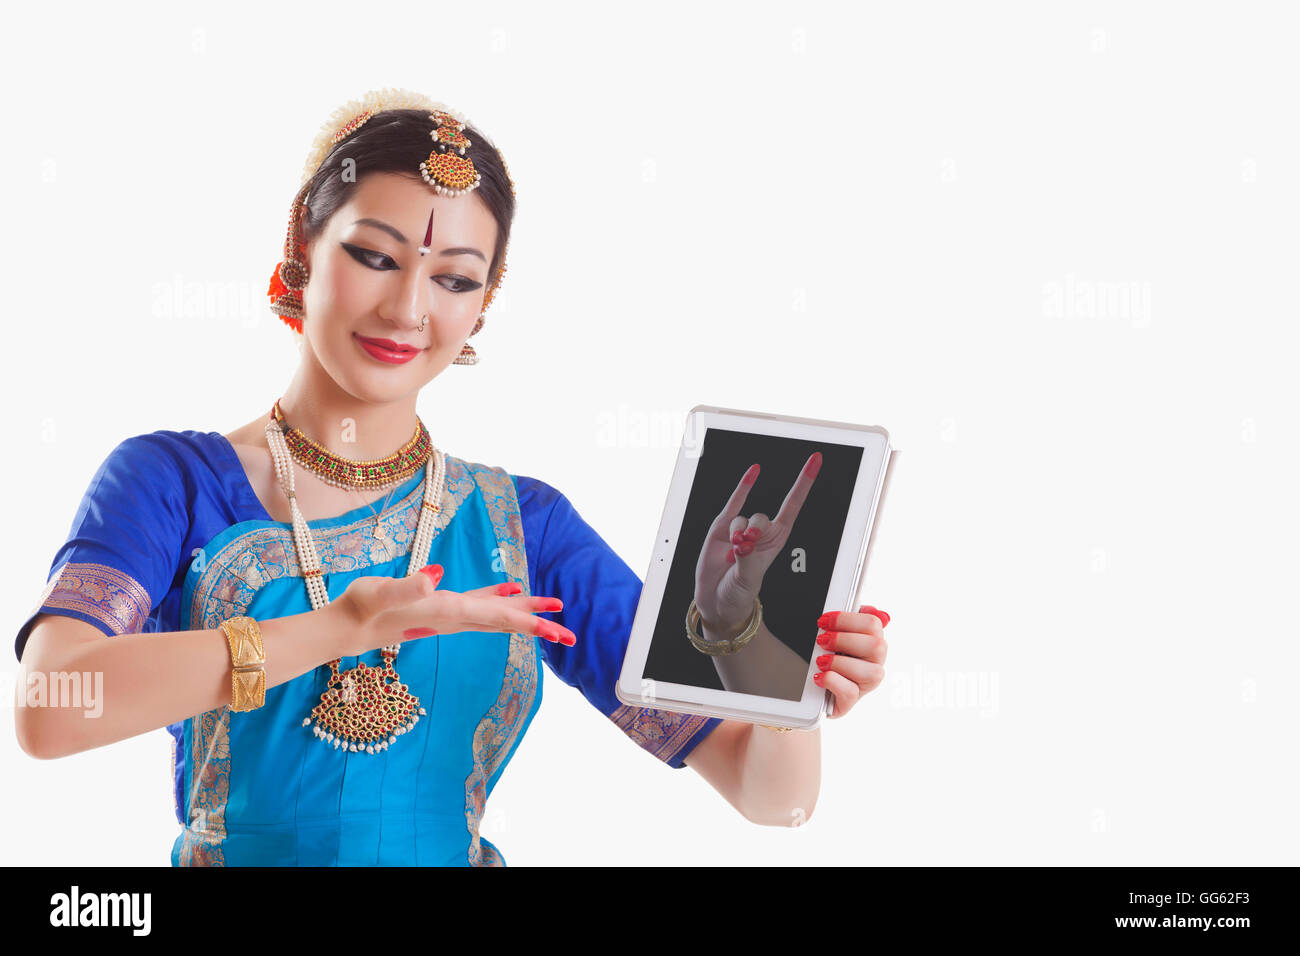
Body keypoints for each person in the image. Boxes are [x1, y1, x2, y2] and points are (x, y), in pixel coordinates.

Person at [11, 88, 890, 866]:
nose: (408, 310)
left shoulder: (522, 527)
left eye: (455, 278)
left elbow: (774, 800)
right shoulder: (174, 482)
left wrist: (763, 662)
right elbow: (51, 707)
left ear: (482, 306)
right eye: (376, 257)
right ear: (301, 254)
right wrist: (338, 628)